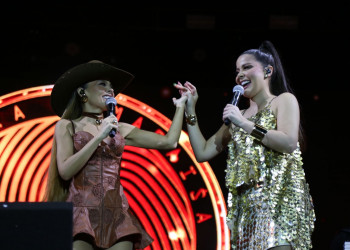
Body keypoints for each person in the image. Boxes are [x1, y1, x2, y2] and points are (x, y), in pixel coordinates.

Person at [175, 41, 315, 249]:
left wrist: (244, 124)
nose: (239, 74)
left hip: (278, 204)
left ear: (268, 71)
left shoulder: (283, 101)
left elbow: (288, 142)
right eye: (237, 70)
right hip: (246, 210)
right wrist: (190, 109)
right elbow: (203, 152)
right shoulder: (237, 116)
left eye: (247, 67)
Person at [43, 60, 189, 250]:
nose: (110, 89)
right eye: (102, 84)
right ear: (82, 92)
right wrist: (99, 137)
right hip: (81, 214)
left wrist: (180, 107)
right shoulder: (67, 125)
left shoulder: (120, 129)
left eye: (112, 86)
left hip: (117, 216)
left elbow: (169, 141)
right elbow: (65, 170)